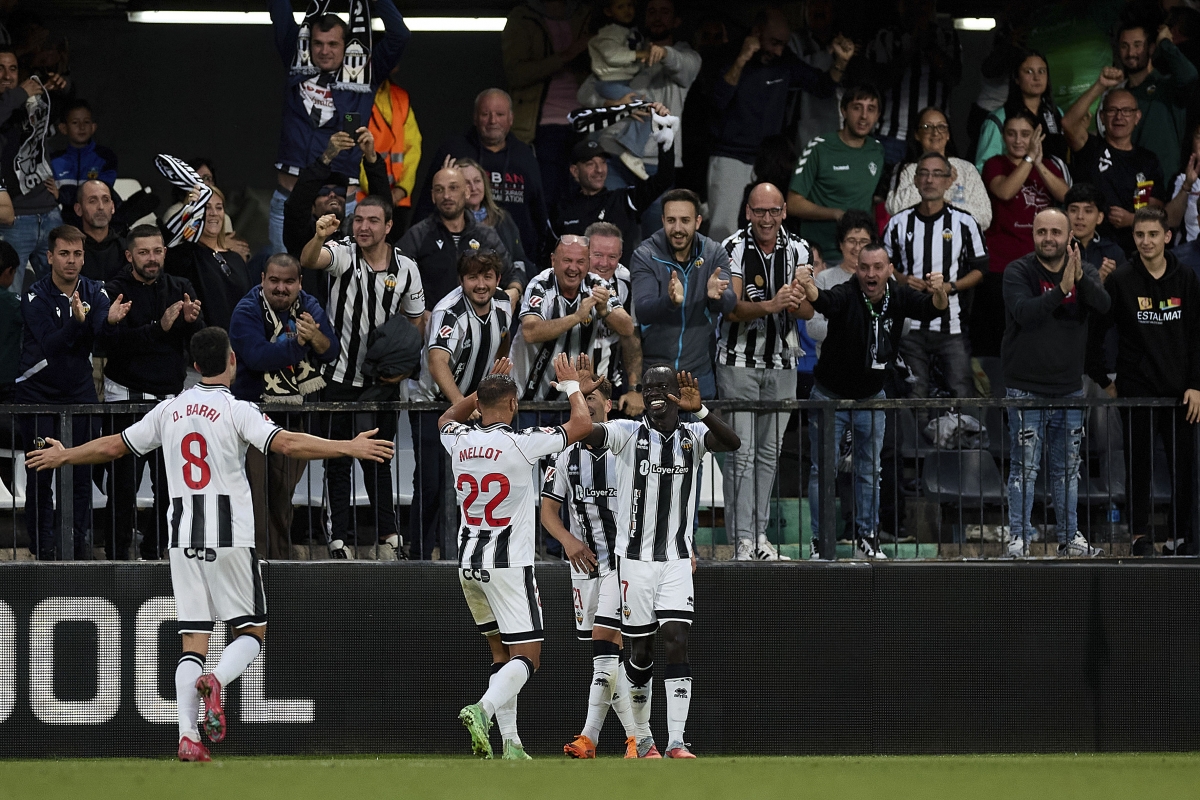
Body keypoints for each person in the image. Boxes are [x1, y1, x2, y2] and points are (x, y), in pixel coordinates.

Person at [25, 326, 394, 762]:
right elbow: (288, 443)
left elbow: (115, 447)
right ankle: (217, 680)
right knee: (252, 632)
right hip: (230, 534)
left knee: (193, 639)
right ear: (232, 360)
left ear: (195, 366)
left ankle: (187, 736)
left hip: (182, 537)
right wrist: (347, 446)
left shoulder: (169, 410)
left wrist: (64, 454)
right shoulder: (238, 410)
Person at [578, 365, 741, 759]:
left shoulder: (694, 435)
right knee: (641, 652)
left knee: (677, 640)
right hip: (633, 561)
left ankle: (677, 741)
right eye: (647, 387)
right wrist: (575, 395)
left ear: (675, 393)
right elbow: (586, 432)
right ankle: (644, 735)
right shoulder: (626, 433)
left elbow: (733, 443)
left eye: (661, 387)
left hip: (676, 560)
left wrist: (701, 411)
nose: (653, 393)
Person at [449, 354, 596, 761]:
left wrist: (482, 389)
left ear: (479, 404)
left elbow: (446, 416)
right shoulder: (521, 442)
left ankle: (511, 744)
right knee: (528, 657)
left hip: (468, 565)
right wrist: (571, 387)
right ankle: (483, 709)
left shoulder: (458, 439)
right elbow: (582, 425)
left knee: (502, 654)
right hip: (508, 566)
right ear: (513, 405)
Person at [796, 243, 950, 559]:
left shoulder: (899, 295)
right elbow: (825, 302)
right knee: (822, 471)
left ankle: (868, 537)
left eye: (878, 267)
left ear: (889, 269)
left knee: (870, 470)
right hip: (829, 396)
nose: (871, 273)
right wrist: (809, 286)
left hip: (871, 396)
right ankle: (820, 540)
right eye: (865, 267)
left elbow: (934, 308)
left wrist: (940, 291)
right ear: (858, 269)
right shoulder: (846, 292)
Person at [300, 197, 424, 559]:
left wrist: (403, 363)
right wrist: (318, 236)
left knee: (379, 459)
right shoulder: (341, 252)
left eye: (373, 221)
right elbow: (310, 260)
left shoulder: (407, 269)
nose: (363, 227)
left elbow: (415, 319)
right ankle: (339, 540)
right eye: (359, 221)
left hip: (383, 382)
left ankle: (388, 536)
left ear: (388, 227)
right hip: (338, 376)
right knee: (337, 459)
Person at [1087, 207, 1200, 557]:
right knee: (1139, 467)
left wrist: (1196, 384)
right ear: (1133, 237)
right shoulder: (1121, 279)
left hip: (1183, 394)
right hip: (1137, 392)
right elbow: (1095, 332)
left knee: (1185, 467)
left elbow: (1197, 336)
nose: (1146, 241)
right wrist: (1104, 380)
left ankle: (1181, 537)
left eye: (1153, 234)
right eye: (1139, 235)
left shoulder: (1187, 278)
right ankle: (1139, 537)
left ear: (1167, 236)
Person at [542, 373, 640, 759]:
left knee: (606, 649)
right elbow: (548, 511)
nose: (587, 401)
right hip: (585, 567)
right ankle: (636, 738)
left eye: (594, 396)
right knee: (606, 657)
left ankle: (590, 737)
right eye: (581, 397)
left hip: (623, 562)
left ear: (609, 405)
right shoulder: (566, 455)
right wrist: (568, 541)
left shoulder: (626, 446)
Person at [1001, 208, 1110, 558]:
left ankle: (1069, 538)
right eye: (1041, 232)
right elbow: (1024, 313)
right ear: (1033, 234)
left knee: (1067, 471)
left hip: (1069, 389)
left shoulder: (1084, 272)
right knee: (1024, 470)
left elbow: (1104, 306)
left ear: (1069, 238)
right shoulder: (1018, 270)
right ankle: (1019, 539)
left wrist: (1078, 280)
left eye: (1056, 232)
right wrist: (1060, 289)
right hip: (1025, 388)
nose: (1048, 238)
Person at [717, 182, 813, 561]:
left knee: (769, 454)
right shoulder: (732, 248)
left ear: (785, 211)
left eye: (774, 211)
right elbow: (732, 308)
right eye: (760, 211)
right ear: (748, 212)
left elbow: (807, 311)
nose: (767, 218)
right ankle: (740, 539)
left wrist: (796, 302)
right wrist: (774, 303)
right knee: (741, 452)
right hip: (739, 361)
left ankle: (759, 538)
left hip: (784, 362)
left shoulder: (801, 249)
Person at [267, 0, 410, 255]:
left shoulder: (367, 71)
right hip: (290, 198)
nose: (324, 51)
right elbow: (280, 13)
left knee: (342, 285)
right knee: (285, 280)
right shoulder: (295, 58)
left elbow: (399, 34)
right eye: (318, 44)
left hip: (342, 206)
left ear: (346, 45)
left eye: (333, 44)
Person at [16, 225, 125, 560]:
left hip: (80, 397)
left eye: (77, 253)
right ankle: (43, 551)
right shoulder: (35, 296)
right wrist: (79, 323)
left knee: (81, 476)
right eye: (64, 253)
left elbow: (100, 330)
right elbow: (52, 344)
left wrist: (108, 322)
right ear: (50, 257)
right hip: (38, 398)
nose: (72, 261)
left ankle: (78, 547)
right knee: (40, 480)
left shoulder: (96, 291)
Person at [102, 224, 205, 560]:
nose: (152, 258)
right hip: (126, 402)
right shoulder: (114, 291)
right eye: (144, 252)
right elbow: (110, 345)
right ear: (129, 254)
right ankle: (116, 558)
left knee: (169, 488)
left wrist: (191, 322)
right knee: (123, 488)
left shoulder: (180, 288)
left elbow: (200, 346)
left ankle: (154, 551)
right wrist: (158, 328)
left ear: (165, 252)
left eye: (157, 251)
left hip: (170, 404)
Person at [707, 8, 853, 242]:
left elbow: (822, 87)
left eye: (783, 44)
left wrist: (841, 62)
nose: (778, 50)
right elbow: (717, 100)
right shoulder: (729, 54)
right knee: (723, 232)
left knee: (765, 231)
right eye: (774, 42)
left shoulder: (784, 61)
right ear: (756, 32)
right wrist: (742, 59)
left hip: (767, 161)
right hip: (730, 156)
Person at [229, 253, 339, 560]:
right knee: (257, 500)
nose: (281, 288)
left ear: (299, 283)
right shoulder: (247, 310)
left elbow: (331, 351)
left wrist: (315, 337)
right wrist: (302, 344)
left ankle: (279, 560)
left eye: (289, 282)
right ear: (262, 279)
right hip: (252, 420)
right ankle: (262, 563)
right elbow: (258, 357)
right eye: (274, 281)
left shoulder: (310, 305)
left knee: (281, 498)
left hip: (293, 419)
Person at [410, 251, 513, 561]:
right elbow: (437, 361)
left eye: (487, 277)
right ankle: (419, 557)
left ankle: (463, 554)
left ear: (497, 279)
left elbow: (504, 338)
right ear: (461, 281)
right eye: (472, 278)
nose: (480, 285)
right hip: (434, 406)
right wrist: (461, 405)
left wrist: (497, 376)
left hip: (476, 407)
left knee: (470, 483)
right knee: (431, 484)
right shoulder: (448, 312)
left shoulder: (504, 304)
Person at [576, 0, 698, 226]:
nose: (657, 17)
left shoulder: (684, 55)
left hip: (655, 164)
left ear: (676, 20)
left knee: (656, 240)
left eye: (664, 11)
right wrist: (610, 102)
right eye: (651, 11)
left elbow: (685, 68)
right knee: (609, 233)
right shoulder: (628, 51)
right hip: (613, 158)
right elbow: (585, 91)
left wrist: (663, 53)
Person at [883, 152, 989, 404]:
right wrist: (902, 279)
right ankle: (914, 444)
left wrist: (950, 286)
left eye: (937, 174)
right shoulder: (898, 223)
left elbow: (980, 269)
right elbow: (881, 265)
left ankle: (964, 443)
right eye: (924, 174)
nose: (930, 180)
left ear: (949, 180)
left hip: (951, 325)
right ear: (916, 180)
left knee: (962, 390)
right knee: (914, 394)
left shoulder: (965, 222)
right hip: (910, 326)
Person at [973, 109, 1070, 365]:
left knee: (1035, 335)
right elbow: (1005, 191)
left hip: (1039, 266)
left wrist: (1038, 162)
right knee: (998, 338)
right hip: (1000, 266)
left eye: (1025, 134)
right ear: (1003, 136)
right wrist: (1029, 158)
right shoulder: (995, 163)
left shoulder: (1048, 165)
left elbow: (1066, 196)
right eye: (1011, 134)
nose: (1017, 140)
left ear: (1037, 136)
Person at [415, 89, 551, 260]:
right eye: (485, 114)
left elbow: (539, 212)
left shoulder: (525, 156)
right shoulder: (454, 151)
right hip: (459, 257)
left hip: (515, 258)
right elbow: (426, 206)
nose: (493, 121)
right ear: (475, 117)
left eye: (500, 114)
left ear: (511, 118)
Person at [630, 189, 736, 398]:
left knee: (698, 432)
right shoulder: (645, 254)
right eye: (671, 220)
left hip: (699, 376)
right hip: (655, 374)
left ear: (697, 221)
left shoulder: (714, 253)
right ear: (662, 220)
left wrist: (718, 296)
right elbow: (643, 309)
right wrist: (669, 301)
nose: (677, 229)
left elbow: (731, 302)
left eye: (685, 220)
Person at [282, 125, 390, 307]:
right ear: (312, 206)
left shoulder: (357, 233)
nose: (333, 195)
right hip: (310, 316)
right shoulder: (302, 234)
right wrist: (326, 158)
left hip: (354, 317)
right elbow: (296, 205)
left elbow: (383, 210)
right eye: (324, 191)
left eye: (339, 190)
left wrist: (371, 159)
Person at [501, 0, 593, 209]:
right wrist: (567, 55)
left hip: (586, 120)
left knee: (584, 198)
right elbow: (516, 73)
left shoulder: (586, 13)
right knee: (547, 197)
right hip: (543, 123)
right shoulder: (523, 17)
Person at [1064, 72, 1167, 254]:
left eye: (1127, 111)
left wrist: (1132, 219)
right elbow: (1068, 123)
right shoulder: (1091, 148)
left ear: (1137, 117)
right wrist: (1100, 85)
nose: (1119, 117)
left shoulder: (1147, 160)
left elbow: (1156, 210)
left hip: (1133, 253)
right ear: (1102, 117)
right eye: (1112, 110)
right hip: (1089, 250)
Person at [398, 165, 521, 310]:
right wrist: (417, 313)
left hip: (478, 326)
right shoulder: (418, 235)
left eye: (453, 188)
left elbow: (512, 275)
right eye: (439, 189)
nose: (446, 196)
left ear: (467, 192)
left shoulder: (486, 235)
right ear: (432, 196)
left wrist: (515, 291)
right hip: (432, 327)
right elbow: (395, 279)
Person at [787, 86, 886, 262]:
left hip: (859, 257)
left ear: (878, 115)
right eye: (857, 108)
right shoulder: (819, 148)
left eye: (871, 109)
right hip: (820, 255)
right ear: (844, 110)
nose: (864, 116)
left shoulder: (877, 151)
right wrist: (835, 214)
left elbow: (870, 200)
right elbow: (793, 203)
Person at [552, 129, 676, 267]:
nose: (599, 170)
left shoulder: (623, 200)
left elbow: (664, 179)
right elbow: (549, 255)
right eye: (590, 164)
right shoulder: (562, 208)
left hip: (619, 286)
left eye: (603, 162)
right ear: (575, 171)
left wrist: (665, 139)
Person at [862, 0, 962, 168]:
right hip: (891, 135)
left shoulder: (946, 36)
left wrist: (929, 46)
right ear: (900, 5)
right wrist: (911, 47)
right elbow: (878, 82)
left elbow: (954, 78)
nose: (917, 8)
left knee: (932, 189)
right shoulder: (885, 36)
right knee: (889, 191)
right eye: (910, 3)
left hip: (933, 136)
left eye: (922, 3)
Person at [0, 47, 66, 295]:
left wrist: (63, 84)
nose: (7, 75)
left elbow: (66, 115)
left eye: (13, 68)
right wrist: (19, 94)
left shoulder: (30, 102)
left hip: (48, 213)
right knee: (9, 299)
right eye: (1, 68)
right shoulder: (16, 98)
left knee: (64, 293)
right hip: (13, 219)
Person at [586, 0, 660, 179]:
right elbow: (612, 55)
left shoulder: (631, 31)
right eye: (620, 6)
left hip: (624, 82)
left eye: (630, 5)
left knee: (645, 109)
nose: (627, 10)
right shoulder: (608, 32)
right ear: (608, 11)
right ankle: (631, 151)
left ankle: (624, 149)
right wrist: (640, 54)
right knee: (647, 110)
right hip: (610, 82)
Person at [1116, 21, 1198, 182]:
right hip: (1132, 187)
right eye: (1125, 46)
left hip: (1168, 186)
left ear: (1151, 48)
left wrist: (1165, 44)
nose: (1131, 52)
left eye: (1137, 45)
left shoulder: (1167, 86)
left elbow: (1190, 76)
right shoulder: (1118, 95)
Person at [165, 187, 254, 332]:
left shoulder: (235, 258)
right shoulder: (186, 256)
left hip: (242, 343)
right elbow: (169, 250)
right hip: (208, 344)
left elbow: (251, 304)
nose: (213, 213)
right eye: (206, 207)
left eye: (219, 208)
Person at [887, 107, 992, 228]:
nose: (935, 133)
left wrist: (946, 206)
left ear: (948, 135)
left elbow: (984, 218)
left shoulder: (966, 169)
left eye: (941, 127)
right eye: (927, 127)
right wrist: (923, 181)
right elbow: (895, 208)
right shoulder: (905, 169)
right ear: (917, 134)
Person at [973, 50, 1068, 174]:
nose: (1036, 77)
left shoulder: (1056, 113)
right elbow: (983, 167)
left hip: (1055, 188)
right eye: (1029, 71)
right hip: (1015, 190)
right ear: (1016, 78)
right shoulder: (1000, 117)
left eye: (1042, 71)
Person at [584, 221, 642, 416]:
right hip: (566, 389)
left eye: (612, 257)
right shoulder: (567, 278)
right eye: (598, 255)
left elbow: (631, 336)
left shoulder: (625, 280)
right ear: (585, 252)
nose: (604, 263)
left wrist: (635, 389)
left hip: (611, 387)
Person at [806, 210, 876, 355]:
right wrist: (854, 332)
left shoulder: (885, 278)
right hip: (832, 366)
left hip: (875, 365)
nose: (857, 247)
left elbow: (903, 324)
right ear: (840, 244)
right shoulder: (824, 278)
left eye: (863, 241)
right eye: (851, 241)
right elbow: (812, 326)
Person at [454, 157, 530, 287]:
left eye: (477, 181)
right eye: (466, 183)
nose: (473, 188)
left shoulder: (503, 219)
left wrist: (515, 290)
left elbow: (519, 261)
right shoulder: (452, 223)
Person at [363, 74, 422, 225]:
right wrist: (380, 193)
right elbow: (352, 151)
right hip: (364, 198)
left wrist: (402, 189)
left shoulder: (400, 96)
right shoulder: (353, 95)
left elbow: (413, 148)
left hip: (398, 201)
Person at [49, 99, 117, 221]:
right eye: (75, 123)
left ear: (93, 127)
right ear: (63, 128)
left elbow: (100, 194)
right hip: (66, 222)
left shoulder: (105, 157)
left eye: (86, 122)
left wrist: (62, 196)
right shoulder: (54, 160)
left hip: (97, 219)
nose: (81, 127)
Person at [1065, 182, 1127, 281]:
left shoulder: (1113, 252)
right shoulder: (1058, 250)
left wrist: (1113, 280)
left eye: (1088, 211)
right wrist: (1097, 280)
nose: (1080, 216)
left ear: (1099, 217)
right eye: (1073, 210)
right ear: (1065, 215)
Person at [74, 179, 125, 283]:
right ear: (78, 209)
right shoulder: (69, 252)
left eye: (106, 200)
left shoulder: (126, 249)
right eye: (92, 201)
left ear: (112, 207)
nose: (101, 207)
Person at [1165, 123, 1200, 244]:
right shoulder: (1182, 178)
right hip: (1190, 255)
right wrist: (1187, 186)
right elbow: (1169, 221)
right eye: (1199, 137)